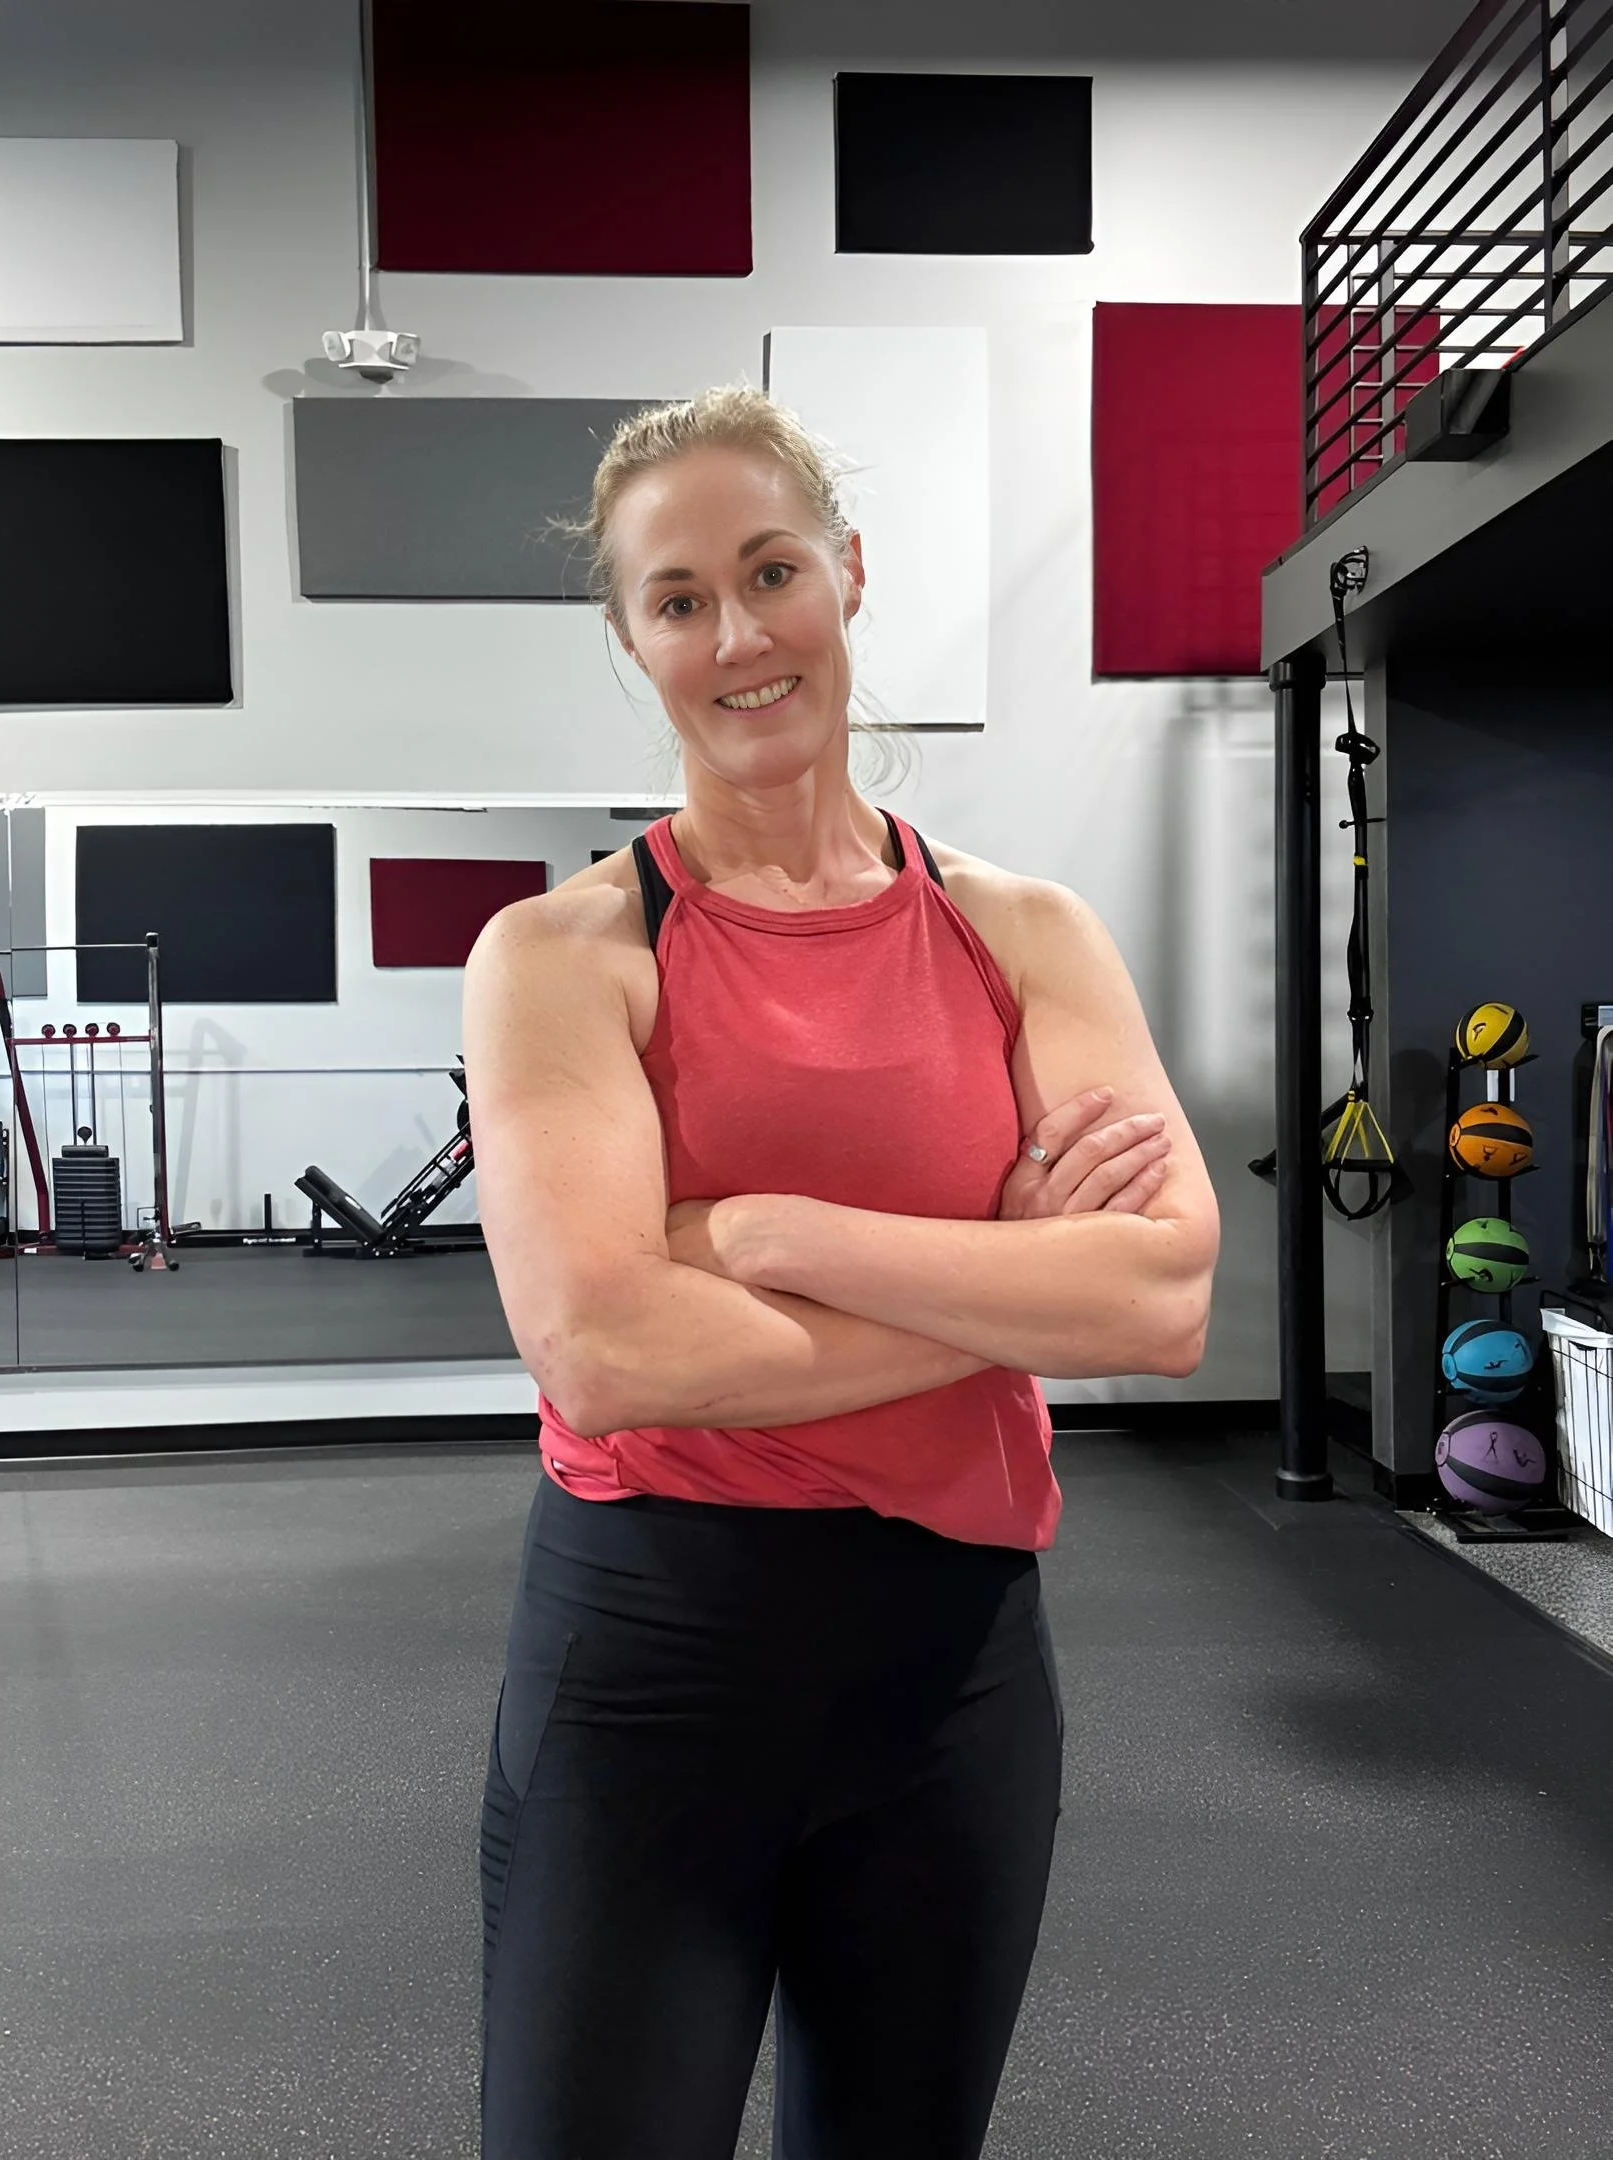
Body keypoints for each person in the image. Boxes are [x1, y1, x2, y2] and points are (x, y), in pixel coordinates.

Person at [462, 384, 1220, 2159]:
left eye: (772, 569)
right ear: (632, 639)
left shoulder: (1024, 933)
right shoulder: (563, 955)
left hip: (952, 1680)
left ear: (850, 576)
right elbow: (608, 1351)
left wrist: (773, 1237)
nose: (738, 635)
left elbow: (1163, 1301)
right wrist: (997, 1279)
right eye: (677, 599)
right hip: (653, 1666)